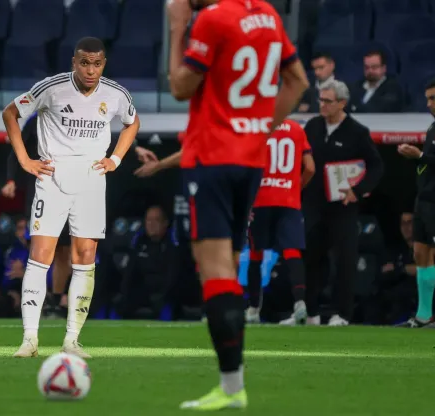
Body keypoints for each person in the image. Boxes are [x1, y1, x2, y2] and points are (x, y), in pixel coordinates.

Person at [166, 0, 309, 410]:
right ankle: (232, 386)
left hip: (210, 156)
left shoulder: (213, 19)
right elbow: (297, 81)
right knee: (228, 260)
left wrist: (179, 27)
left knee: (214, 269)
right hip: (249, 159)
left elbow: (180, 86)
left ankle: (231, 388)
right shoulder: (268, 14)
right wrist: (261, 126)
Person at [2, 36, 140, 359]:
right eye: (84, 62)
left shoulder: (116, 94)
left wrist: (116, 158)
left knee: (85, 256)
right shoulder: (51, 88)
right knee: (41, 253)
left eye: (96, 63)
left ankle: (72, 340)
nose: (90, 70)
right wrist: (24, 160)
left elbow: (132, 123)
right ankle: (29, 339)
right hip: (52, 176)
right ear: (73, 62)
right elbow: (11, 113)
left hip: (93, 178)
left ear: (103, 63)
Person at [1, 112, 158, 319]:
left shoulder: (85, 114)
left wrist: (135, 148)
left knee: (65, 250)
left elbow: (108, 139)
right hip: (44, 190)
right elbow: (17, 150)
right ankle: (37, 299)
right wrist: (11, 180)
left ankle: (56, 301)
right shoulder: (38, 119)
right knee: (41, 248)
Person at [302, 80, 383, 327]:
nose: (322, 105)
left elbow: (376, 166)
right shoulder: (312, 126)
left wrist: (358, 191)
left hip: (343, 206)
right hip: (314, 205)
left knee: (345, 260)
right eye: (321, 100)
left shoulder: (357, 131)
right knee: (311, 260)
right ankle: (311, 311)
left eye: (327, 101)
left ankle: (342, 314)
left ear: (342, 103)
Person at [397, 77, 435, 329]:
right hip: (426, 198)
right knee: (420, 253)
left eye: (434, 98)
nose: (428, 103)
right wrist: (417, 157)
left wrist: (419, 155)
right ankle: (423, 315)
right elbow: (432, 161)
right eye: (427, 98)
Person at [245, 119, 315, 325]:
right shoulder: (296, 129)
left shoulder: (256, 128)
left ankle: (253, 309)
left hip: (261, 198)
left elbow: (247, 167)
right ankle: (300, 303)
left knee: (256, 254)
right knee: (292, 251)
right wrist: (295, 187)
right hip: (288, 199)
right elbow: (310, 168)